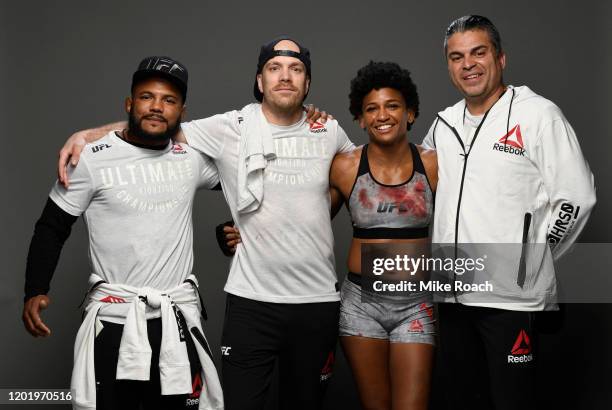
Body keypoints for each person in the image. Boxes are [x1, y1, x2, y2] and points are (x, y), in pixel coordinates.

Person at [57, 38, 354, 410]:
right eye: (275, 69)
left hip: (317, 300)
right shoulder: (229, 127)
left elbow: (353, 174)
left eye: (295, 70)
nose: (285, 77)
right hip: (252, 302)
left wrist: (322, 209)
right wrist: (87, 135)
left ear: (307, 84)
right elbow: (155, 125)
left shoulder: (328, 130)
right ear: (260, 80)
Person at [23, 56, 224, 410]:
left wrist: (234, 230)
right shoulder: (91, 159)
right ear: (130, 104)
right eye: (147, 97)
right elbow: (52, 226)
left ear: (182, 112)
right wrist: (35, 289)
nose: (157, 107)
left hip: (174, 320)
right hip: (115, 321)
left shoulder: (190, 158)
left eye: (169, 101)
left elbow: (250, 184)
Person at [421, 15, 596, 410]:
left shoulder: (538, 115)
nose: (468, 64)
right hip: (450, 297)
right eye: (457, 56)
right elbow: (409, 176)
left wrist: (533, 260)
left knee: (511, 401)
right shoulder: (443, 125)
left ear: (500, 58)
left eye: (478, 53)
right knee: (461, 400)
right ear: (449, 65)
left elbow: (576, 198)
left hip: (511, 301)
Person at [329, 61, 437, 410]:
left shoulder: (434, 165)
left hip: (416, 302)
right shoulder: (345, 167)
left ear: (410, 113)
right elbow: (303, 219)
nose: (382, 115)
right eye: (371, 109)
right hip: (361, 303)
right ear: (360, 119)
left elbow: (475, 215)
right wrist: (242, 231)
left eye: (392, 105)